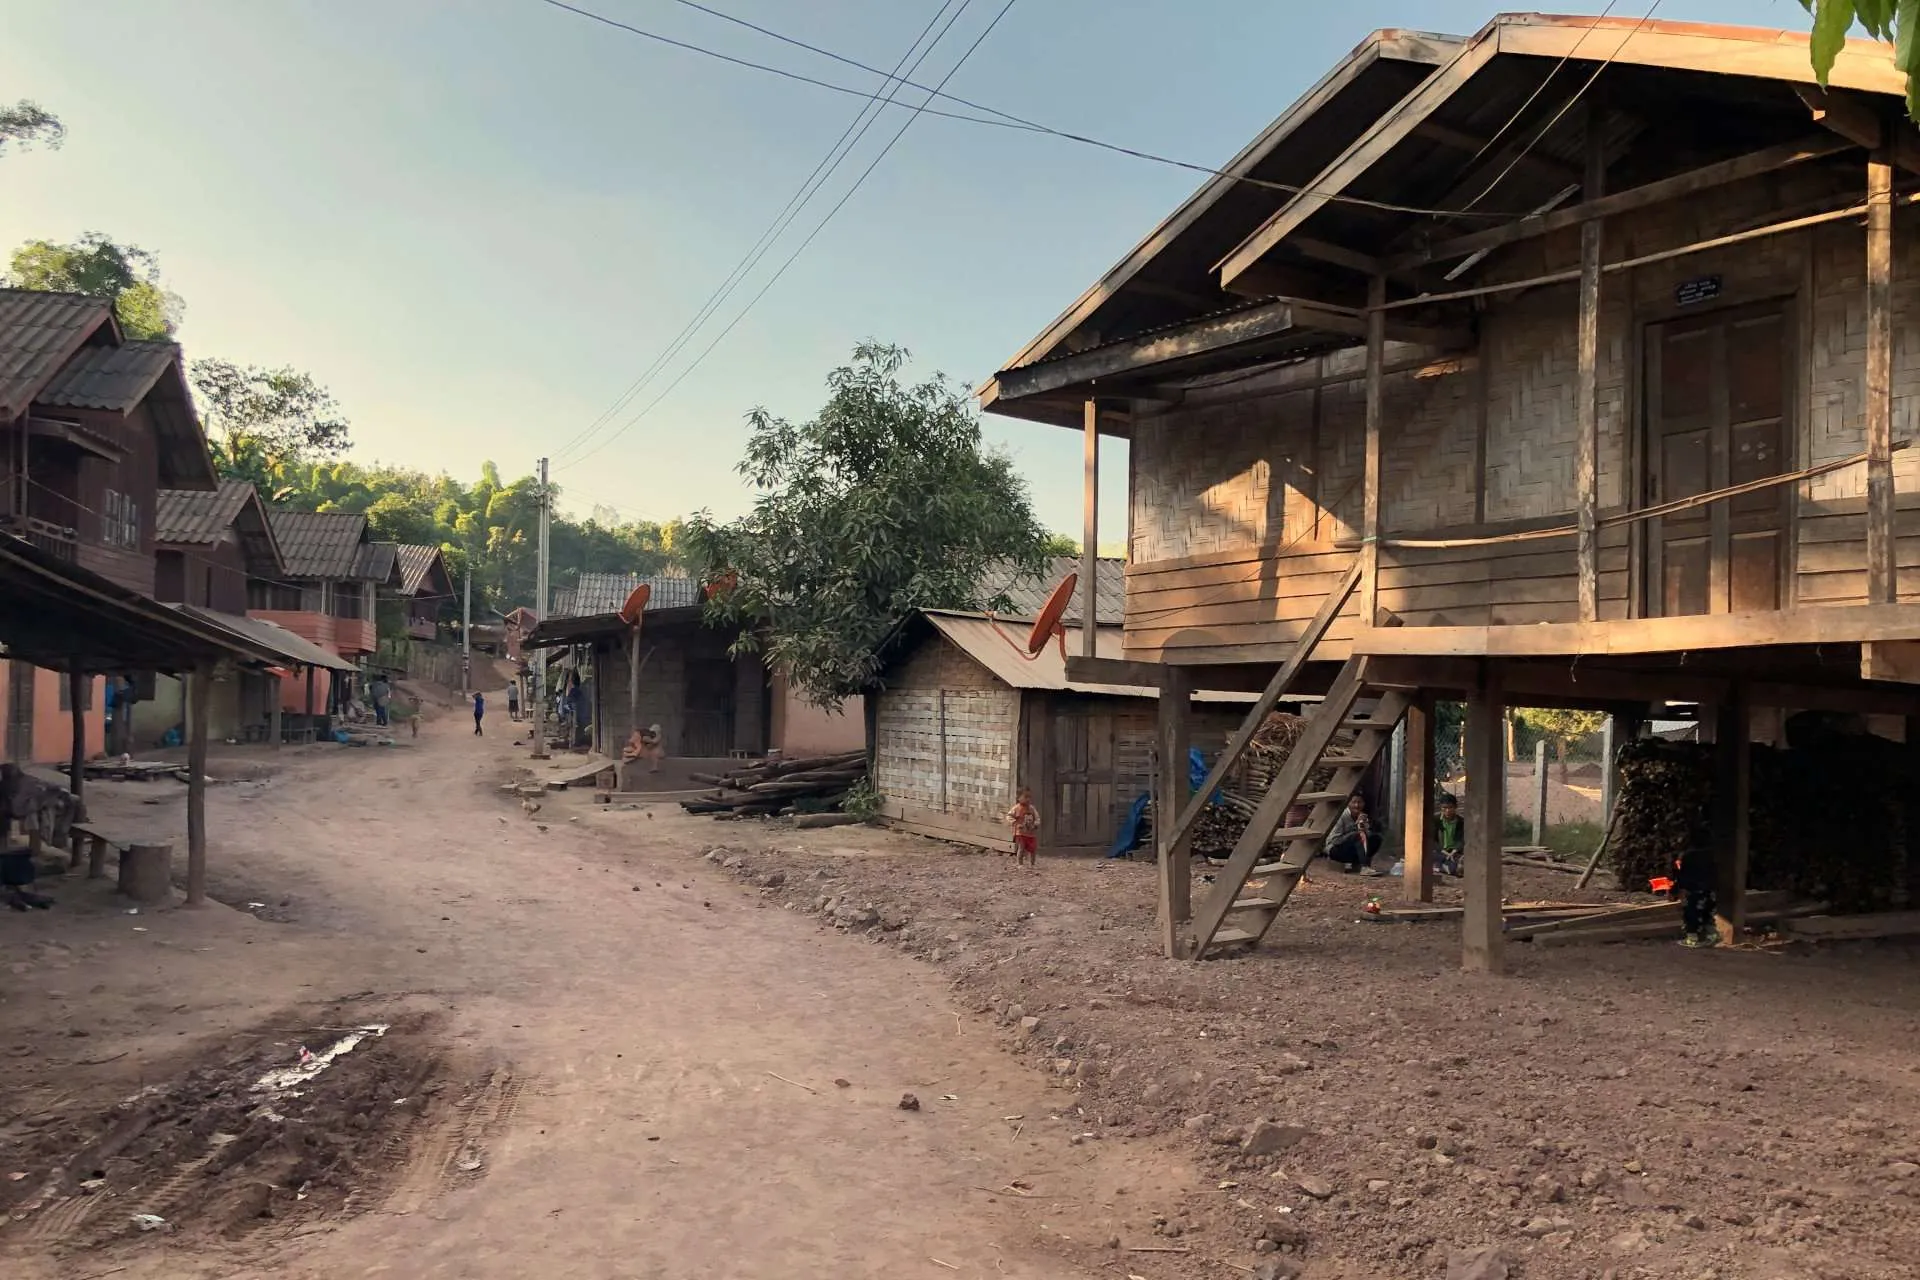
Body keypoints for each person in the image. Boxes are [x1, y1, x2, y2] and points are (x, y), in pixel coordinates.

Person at [1324, 794, 1383, 876]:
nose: (1357, 805)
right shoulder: (1341, 816)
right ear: (1348, 803)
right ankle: (1364, 867)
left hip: (1352, 848)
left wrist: (1365, 827)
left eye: (1360, 802)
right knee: (1357, 836)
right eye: (1354, 802)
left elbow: (1366, 838)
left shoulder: (1362, 816)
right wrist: (1355, 830)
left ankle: (1359, 863)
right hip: (1335, 849)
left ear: (1364, 804)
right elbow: (1335, 840)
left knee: (1376, 838)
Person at [1675, 845, 1719, 948]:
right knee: (1707, 914)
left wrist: (1679, 888)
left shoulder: (1688, 856)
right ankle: (1712, 935)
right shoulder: (1709, 854)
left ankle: (1692, 939)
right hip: (1707, 889)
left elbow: (1683, 875)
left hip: (1693, 890)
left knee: (1691, 914)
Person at [1005, 787, 1040, 868]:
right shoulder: (1016, 808)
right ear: (1018, 798)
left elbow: (1037, 818)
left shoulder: (1032, 808)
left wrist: (1035, 824)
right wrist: (1015, 823)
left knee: (1033, 849)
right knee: (1021, 848)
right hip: (1020, 833)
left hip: (1030, 833)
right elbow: (1008, 816)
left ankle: (1032, 864)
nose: (1028, 799)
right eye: (1025, 797)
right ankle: (1019, 863)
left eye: (1029, 797)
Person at [1435, 793, 1465, 878]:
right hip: (1440, 851)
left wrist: (1453, 852)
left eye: (1450, 807)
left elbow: (1461, 840)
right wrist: (1444, 853)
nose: (1447, 810)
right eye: (1444, 808)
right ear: (1441, 808)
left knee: (1456, 866)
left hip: (1454, 852)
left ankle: (1441, 867)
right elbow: (1432, 841)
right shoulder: (1436, 820)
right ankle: (1441, 866)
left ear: (1455, 807)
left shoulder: (1461, 822)